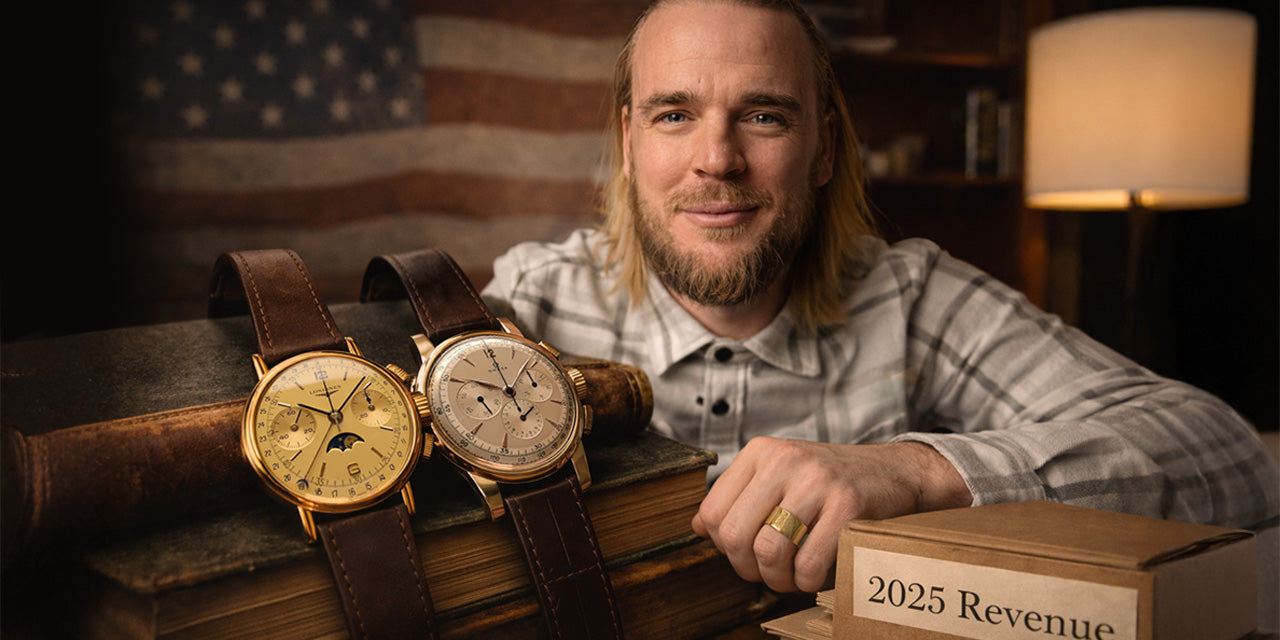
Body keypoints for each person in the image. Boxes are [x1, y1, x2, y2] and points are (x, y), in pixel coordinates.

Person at [480, 0, 1280, 596]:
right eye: (674, 115)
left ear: (824, 147)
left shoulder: (913, 296)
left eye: (763, 115)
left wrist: (918, 472)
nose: (717, 159)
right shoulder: (531, 302)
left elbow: (1231, 456)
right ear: (628, 144)